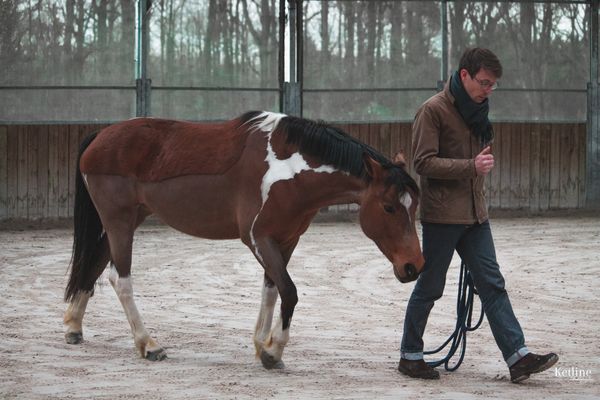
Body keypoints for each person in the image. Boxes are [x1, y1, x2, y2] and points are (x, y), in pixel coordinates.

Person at [398, 47, 558, 383]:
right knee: (430, 286)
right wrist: (471, 166)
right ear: (465, 74)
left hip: (475, 215)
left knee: (492, 283)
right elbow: (423, 163)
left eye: (493, 85)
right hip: (442, 217)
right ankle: (410, 355)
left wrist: (475, 168)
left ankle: (518, 357)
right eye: (484, 82)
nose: (488, 90)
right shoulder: (432, 111)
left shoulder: (478, 109)